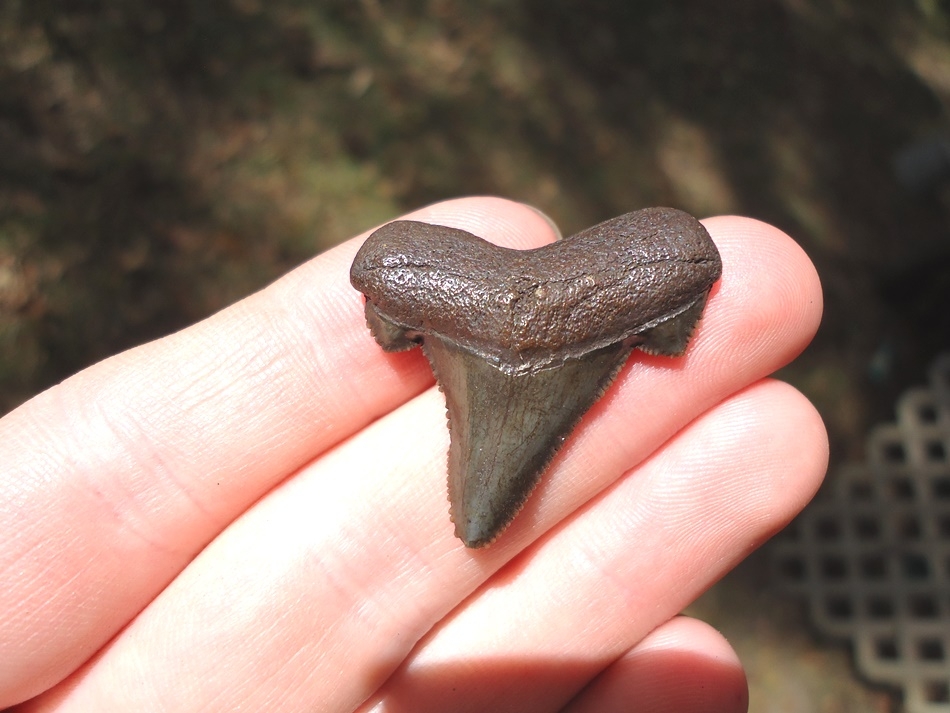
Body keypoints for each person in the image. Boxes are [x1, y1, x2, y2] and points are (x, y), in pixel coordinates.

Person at [0, 197, 826, 712]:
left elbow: (681, 262)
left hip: (545, 299)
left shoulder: (663, 262)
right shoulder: (655, 260)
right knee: (483, 502)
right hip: (510, 298)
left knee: (484, 500)